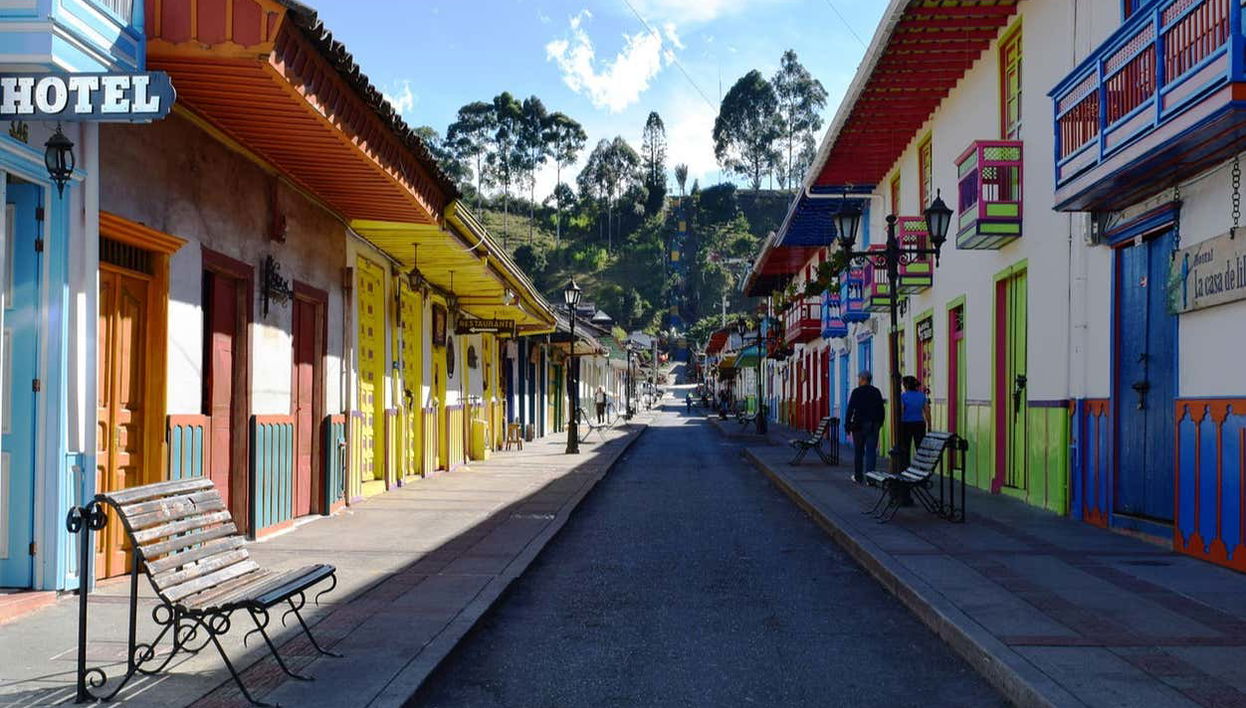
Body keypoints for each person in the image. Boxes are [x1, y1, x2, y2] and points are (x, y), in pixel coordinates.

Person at [844, 371, 885, 484]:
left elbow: (850, 409)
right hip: (873, 425)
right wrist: (879, 423)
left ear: (863, 379)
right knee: (871, 452)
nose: (858, 381)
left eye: (859, 379)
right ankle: (871, 479)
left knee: (859, 452)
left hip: (859, 426)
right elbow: (881, 410)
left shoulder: (856, 392)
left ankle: (858, 477)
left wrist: (847, 425)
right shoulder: (876, 391)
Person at [899, 375, 931, 469]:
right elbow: (927, 411)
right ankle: (921, 468)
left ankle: (906, 468)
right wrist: (929, 425)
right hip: (919, 424)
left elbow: (901, 410)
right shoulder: (922, 396)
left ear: (905, 385)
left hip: (906, 424)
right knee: (920, 448)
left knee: (905, 447)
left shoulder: (903, 396)